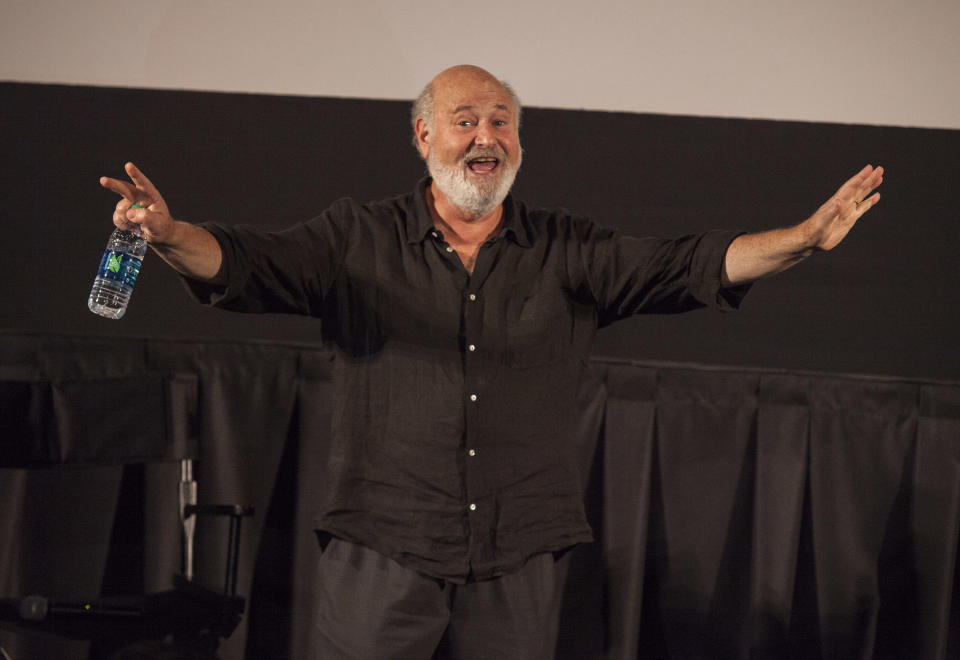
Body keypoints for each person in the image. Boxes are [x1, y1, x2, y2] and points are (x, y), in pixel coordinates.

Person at [100, 64, 883, 659]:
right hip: (384, 550)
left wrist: (802, 241)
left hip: (519, 560)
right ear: (424, 137)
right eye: (465, 119)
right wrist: (169, 236)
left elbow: (690, 265)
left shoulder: (566, 249)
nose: (486, 136)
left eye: (502, 122)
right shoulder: (357, 238)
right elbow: (245, 263)